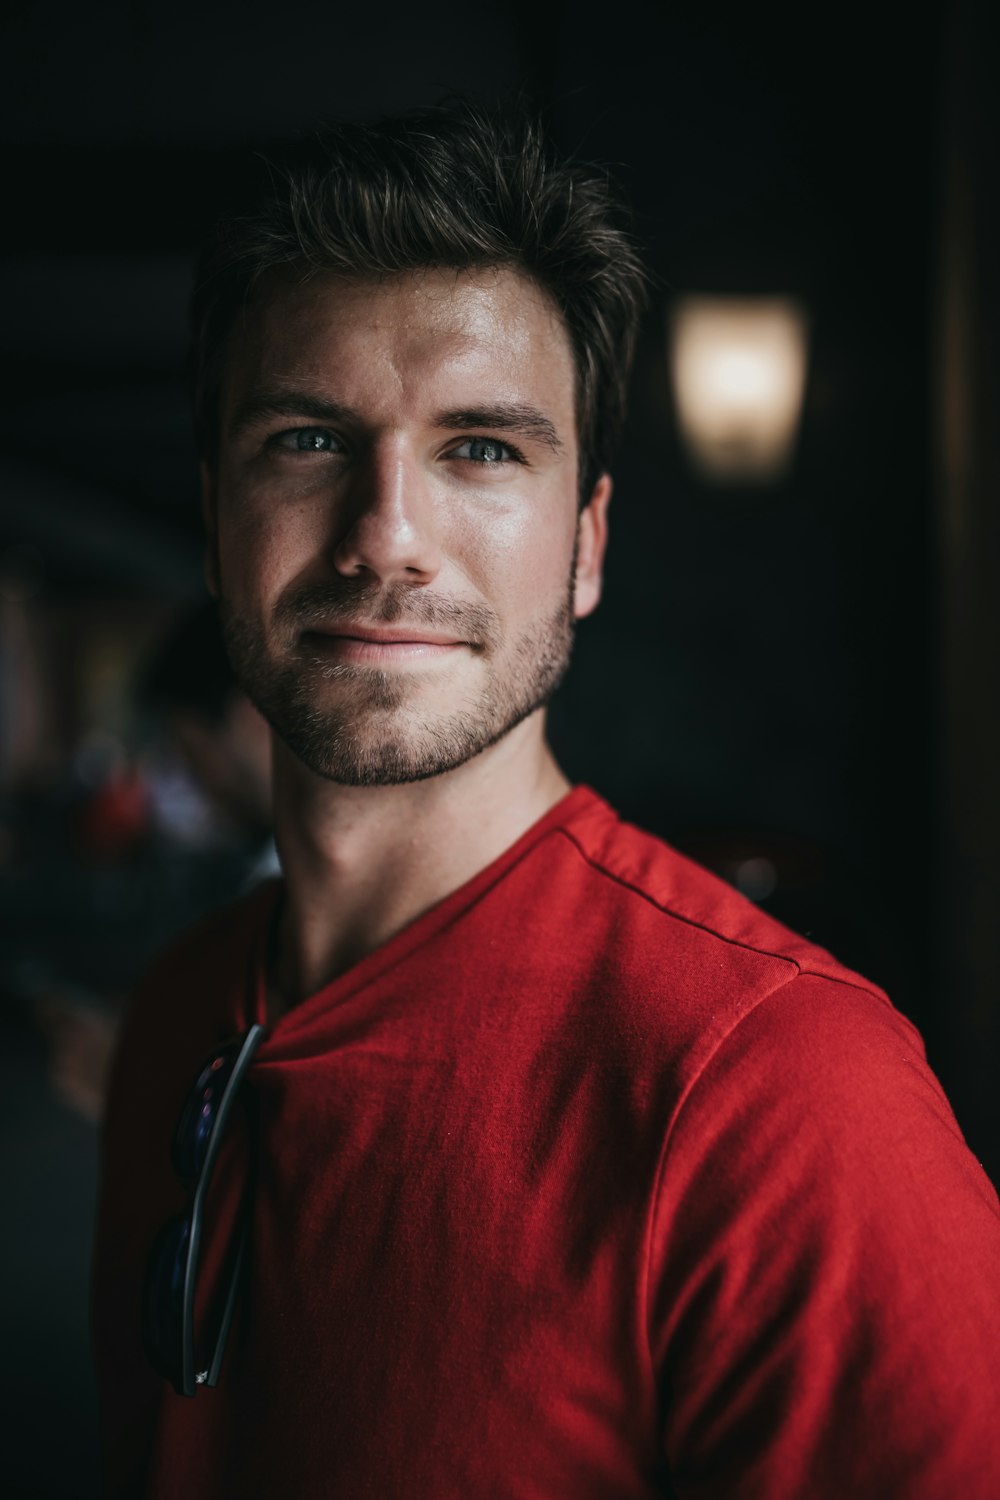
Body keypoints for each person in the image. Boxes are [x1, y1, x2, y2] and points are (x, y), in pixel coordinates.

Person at [92, 100, 1000, 1498]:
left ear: (585, 548)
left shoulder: (780, 1097)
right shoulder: (177, 1020)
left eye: (483, 449)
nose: (387, 535)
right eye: (309, 442)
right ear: (216, 518)